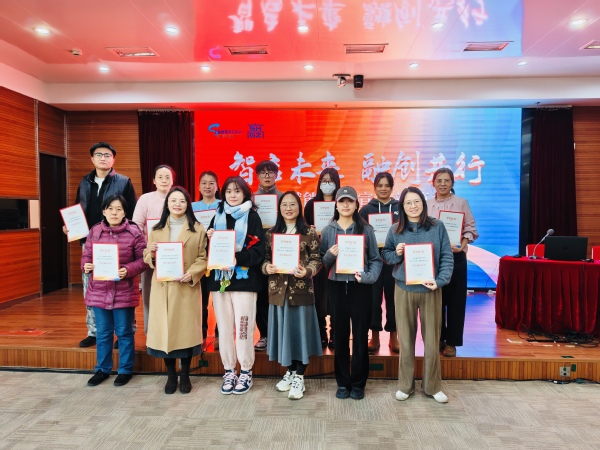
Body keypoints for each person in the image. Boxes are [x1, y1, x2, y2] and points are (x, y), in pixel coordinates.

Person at [382, 186, 453, 403]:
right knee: (406, 340)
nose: (413, 206)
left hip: (431, 290)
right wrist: (397, 254)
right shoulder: (395, 229)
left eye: (416, 202)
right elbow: (386, 255)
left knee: (432, 341)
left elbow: (447, 257)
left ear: (423, 203)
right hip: (404, 290)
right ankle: (406, 385)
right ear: (402, 207)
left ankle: (432, 386)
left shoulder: (437, 227)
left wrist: (439, 281)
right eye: (408, 203)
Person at [64, 142, 137, 348]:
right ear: (92, 159)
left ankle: (125, 332)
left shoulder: (124, 181)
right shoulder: (84, 182)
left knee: (124, 289)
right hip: (91, 242)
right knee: (91, 289)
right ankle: (94, 332)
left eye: (107, 155)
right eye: (98, 155)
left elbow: (131, 212)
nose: (103, 158)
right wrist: (70, 227)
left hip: (119, 243)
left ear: (113, 159)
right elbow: (77, 211)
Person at [144, 186, 208, 394]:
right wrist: (152, 254)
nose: (177, 204)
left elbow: (203, 257)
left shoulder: (198, 229)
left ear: (188, 204)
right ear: (167, 204)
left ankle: (185, 374)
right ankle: (171, 375)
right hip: (163, 288)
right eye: (173, 200)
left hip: (185, 286)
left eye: (182, 201)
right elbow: (147, 254)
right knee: (166, 333)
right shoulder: (156, 229)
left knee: (184, 333)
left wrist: (193, 273)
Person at [320, 186, 382, 400]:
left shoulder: (366, 229)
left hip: (360, 287)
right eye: (342, 201)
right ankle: (343, 382)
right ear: (336, 205)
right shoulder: (328, 230)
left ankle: (358, 383)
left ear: (356, 204)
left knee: (360, 336)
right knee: (339, 335)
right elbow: (322, 262)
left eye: (350, 201)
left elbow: (375, 259)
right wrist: (330, 255)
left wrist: (368, 277)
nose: (346, 205)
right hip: (337, 287)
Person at [206, 176, 265, 395]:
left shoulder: (253, 217)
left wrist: (236, 257)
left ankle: (246, 370)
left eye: (237, 191)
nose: (232, 195)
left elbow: (259, 251)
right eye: (229, 191)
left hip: (245, 281)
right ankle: (229, 370)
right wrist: (209, 238)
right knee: (224, 329)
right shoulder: (217, 216)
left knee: (243, 328)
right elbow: (208, 251)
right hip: (220, 281)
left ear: (245, 194)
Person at [81, 195, 147, 387]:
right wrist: (86, 265)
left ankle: (125, 370)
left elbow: (143, 260)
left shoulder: (134, 232)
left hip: (124, 291)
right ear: (104, 211)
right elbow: (86, 256)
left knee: (125, 332)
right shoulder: (95, 231)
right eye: (110, 208)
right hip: (99, 291)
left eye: (119, 209)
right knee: (103, 333)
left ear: (125, 212)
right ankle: (102, 369)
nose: (114, 212)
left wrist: (128, 269)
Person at [263, 191, 323, 400]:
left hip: (301, 291)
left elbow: (317, 259)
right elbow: (264, 259)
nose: (288, 208)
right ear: (279, 208)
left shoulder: (309, 232)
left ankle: (299, 376)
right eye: (284, 205)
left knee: (300, 335)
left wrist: (307, 271)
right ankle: (290, 372)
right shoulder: (271, 234)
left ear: (299, 207)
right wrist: (266, 267)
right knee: (284, 335)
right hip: (278, 292)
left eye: (293, 204)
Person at [426, 168, 478, 358]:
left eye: (446, 180)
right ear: (433, 183)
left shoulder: (461, 202)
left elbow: (470, 228)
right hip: (434, 257)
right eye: (439, 180)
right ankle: (439, 337)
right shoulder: (426, 204)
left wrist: (462, 245)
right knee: (435, 300)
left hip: (456, 256)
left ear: (452, 183)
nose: (442, 184)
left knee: (456, 301)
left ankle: (452, 343)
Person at [358, 172, 400, 354]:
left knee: (393, 299)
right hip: (373, 261)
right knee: (373, 300)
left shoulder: (399, 208)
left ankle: (394, 336)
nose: (383, 189)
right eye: (380, 185)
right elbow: (359, 234)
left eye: (387, 185)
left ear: (392, 188)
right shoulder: (366, 210)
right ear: (374, 187)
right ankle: (374, 336)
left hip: (394, 261)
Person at [132, 165, 175, 334]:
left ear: (172, 180)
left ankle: (171, 332)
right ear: (154, 181)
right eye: (160, 177)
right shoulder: (146, 199)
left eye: (167, 177)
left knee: (173, 295)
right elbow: (136, 226)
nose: (164, 180)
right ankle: (151, 333)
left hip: (174, 256)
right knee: (150, 294)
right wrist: (148, 247)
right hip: (151, 254)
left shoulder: (177, 197)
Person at [304, 168, 340, 349]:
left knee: (334, 294)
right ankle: (320, 332)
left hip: (338, 254)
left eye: (330, 181)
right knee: (318, 295)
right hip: (316, 255)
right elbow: (303, 229)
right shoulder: (311, 205)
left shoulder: (342, 203)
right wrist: (310, 230)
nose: (327, 184)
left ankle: (334, 333)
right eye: (324, 181)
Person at [254, 160, 284, 352]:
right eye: (263, 173)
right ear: (257, 176)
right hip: (257, 253)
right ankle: (264, 334)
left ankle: (279, 334)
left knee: (278, 294)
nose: (267, 176)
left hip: (280, 253)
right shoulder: (250, 199)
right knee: (260, 295)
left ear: (276, 175)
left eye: (270, 172)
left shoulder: (283, 198)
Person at [191, 171, 221, 350]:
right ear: (199, 186)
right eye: (204, 183)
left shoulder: (223, 206)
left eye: (211, 183)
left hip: (218, 257)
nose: (207, 186)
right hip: (198, 257)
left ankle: (219, 333)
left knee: (219, 298)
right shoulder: (192, 207)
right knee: (200, 299)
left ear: (217, 186)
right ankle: (200, 333)